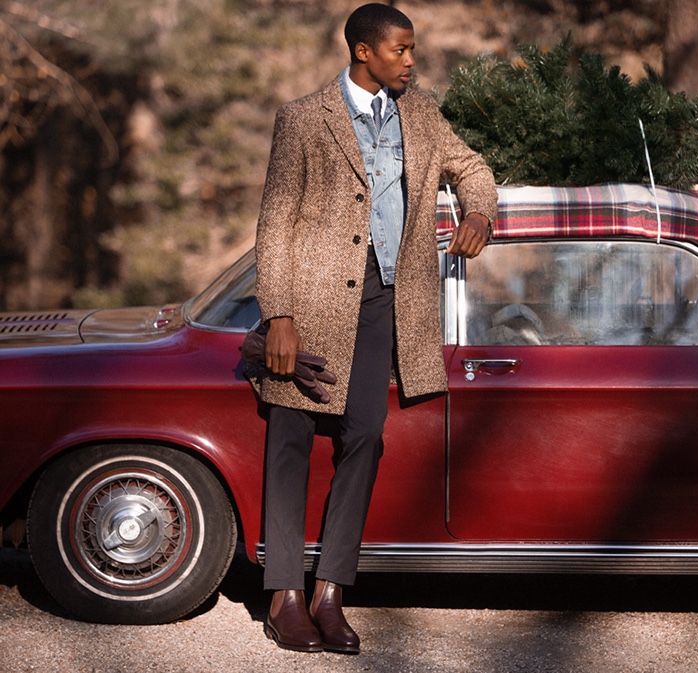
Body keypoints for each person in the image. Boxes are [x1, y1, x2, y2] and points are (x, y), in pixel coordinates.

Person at [254, 2, 497, 655]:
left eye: (412, 50)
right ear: (364, 52)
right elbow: (275, 222)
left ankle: (331, 590)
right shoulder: (304, 118)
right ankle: (285, 596)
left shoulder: (419, 111)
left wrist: (480, 212)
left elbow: (471, 166)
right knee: (291, 443)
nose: (411, 61)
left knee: (363, 439)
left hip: (383, 305)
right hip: (308, 306)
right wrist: (278, 314)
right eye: (401, 50)